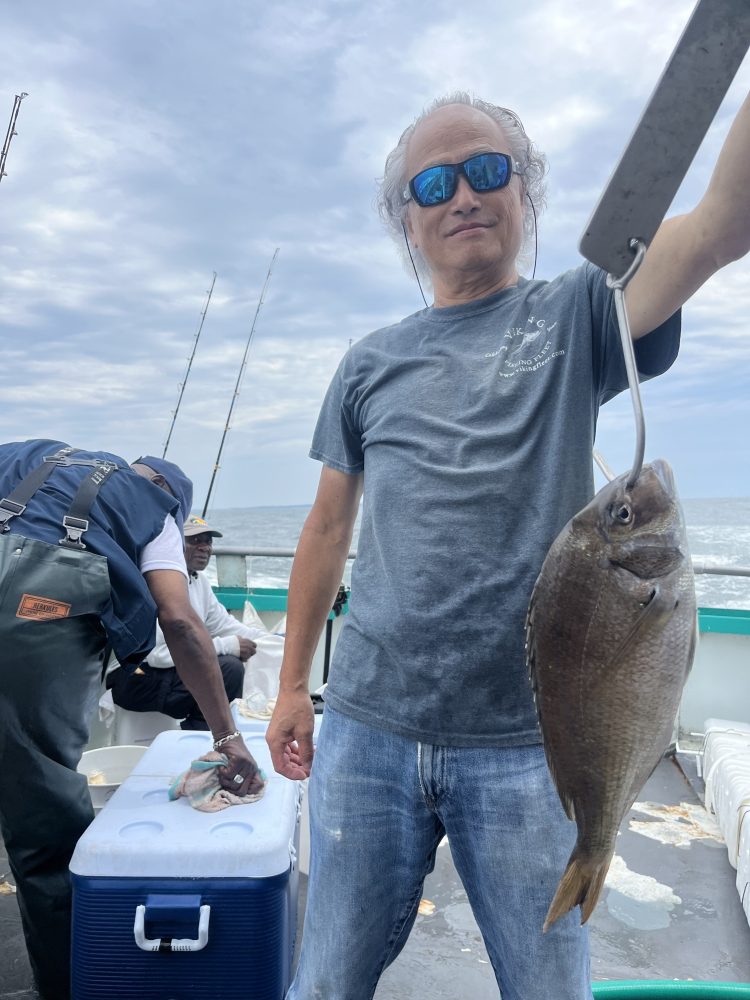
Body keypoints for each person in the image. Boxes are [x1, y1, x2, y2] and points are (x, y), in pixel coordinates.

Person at [266, 90, 750, 1000]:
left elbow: (723, 224)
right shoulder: (368, 362)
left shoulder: (574, 313)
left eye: (489, 171)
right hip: (368, 726)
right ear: (406, 221)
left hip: (531, 741)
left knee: (547, 986)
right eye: (434, 183)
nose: (464, 197)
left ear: (524, 192)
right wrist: (293, 685)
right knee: (325, 981)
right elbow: (328, 527)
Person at [0, 440, 263, 1000]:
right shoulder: (152, 512)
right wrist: (228, 737)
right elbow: (181, 623)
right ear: (169, 500)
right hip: (35, 617)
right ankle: (70, 986)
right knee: (45, 822)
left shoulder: (23, 455)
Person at [107, 513, 269, 729]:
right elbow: (157, 655)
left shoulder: (197, 581)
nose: (205, 547)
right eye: (194, 540)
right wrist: (226, 645)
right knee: (228, 669)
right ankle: (205, 740)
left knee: (225, 665)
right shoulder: (154, 582)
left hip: (160, 673)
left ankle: (201, 735)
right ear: (173, 544)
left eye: (208, 541)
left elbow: (224, 625)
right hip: (133, 676)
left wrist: (273, 640)